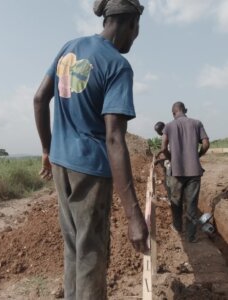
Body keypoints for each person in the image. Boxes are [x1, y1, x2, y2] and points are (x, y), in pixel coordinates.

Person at [33, 0, 148, 299]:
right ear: (130, 23)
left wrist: (47, 149)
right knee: (91, 256)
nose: (135, 38)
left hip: (60, 164)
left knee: (73, 247)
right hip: (91, 173)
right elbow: (114, 138)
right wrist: (134, 216)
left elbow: (38, 99)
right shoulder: (117, 66)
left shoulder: (69, 47)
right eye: (137, 31)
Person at [160, 101, 210, 243]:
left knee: (176, 202)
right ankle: (191, 236)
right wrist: (198, 155)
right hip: (194, 171)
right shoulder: (197, 123)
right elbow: (206, 144)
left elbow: (163, 148)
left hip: (176, 172)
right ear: (185, 110)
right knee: (192, 204)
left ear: (173, 113)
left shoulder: (168, 126)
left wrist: (172, 159)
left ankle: (177, 228)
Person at [154, 121, 171, 202]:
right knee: (166, 181)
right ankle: (169, 197)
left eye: (158, 132)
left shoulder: (170, 136)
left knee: (168, 183)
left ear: (162, 129)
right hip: (168, 163)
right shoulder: (166, 135)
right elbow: (164, 149)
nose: (158, 134)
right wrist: (159, 153)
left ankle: (171, 199)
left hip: (172, 164)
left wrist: (159, 160)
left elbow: (171, 155)